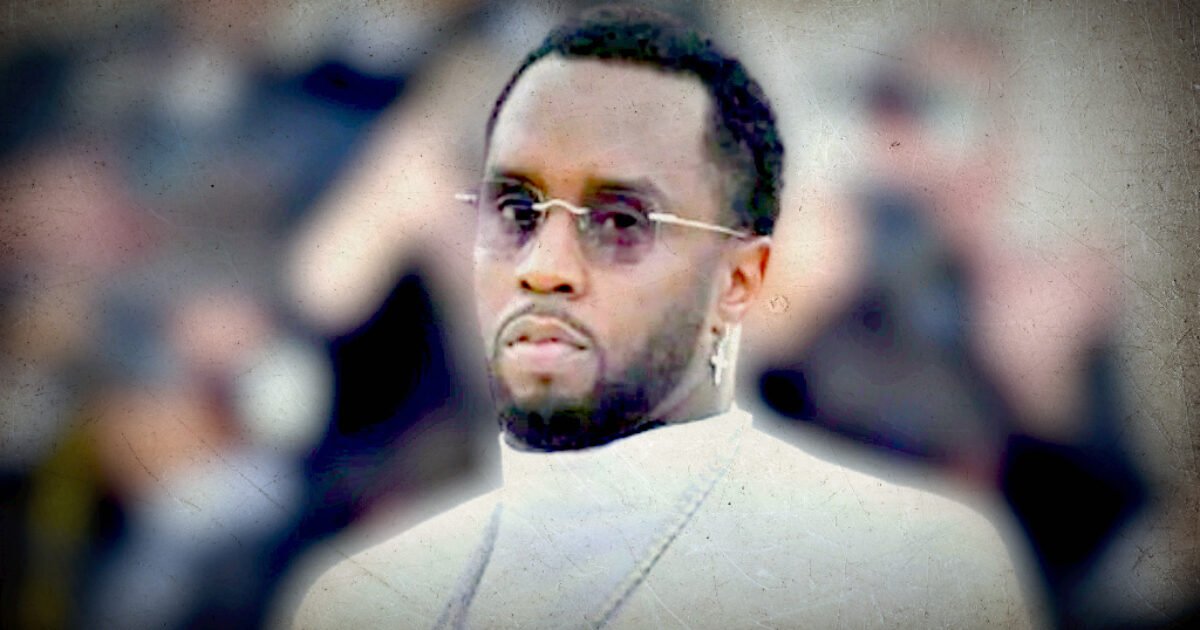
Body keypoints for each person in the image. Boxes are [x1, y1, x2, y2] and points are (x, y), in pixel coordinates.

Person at [292, 7, 1034, 629]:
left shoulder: (929, 567)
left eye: (620, 221)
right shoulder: (359, 600)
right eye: (517, 210)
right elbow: (327, 280)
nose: (548, 266)